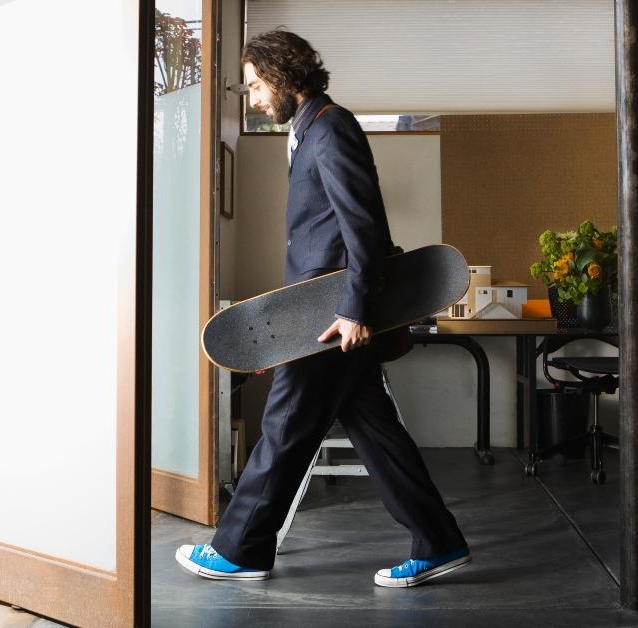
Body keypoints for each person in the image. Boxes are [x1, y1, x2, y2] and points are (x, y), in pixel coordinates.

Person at [176, 29, 469, 588]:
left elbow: (364, 227)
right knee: (377, 432)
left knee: (284, 424)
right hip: (321, 307)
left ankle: (240, 549)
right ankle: (440, 541)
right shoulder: (309, 129)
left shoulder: (332, 128)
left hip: (334, 314)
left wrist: (356, 310)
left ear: (285, 77)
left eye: (259, 83)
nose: (255, 95)